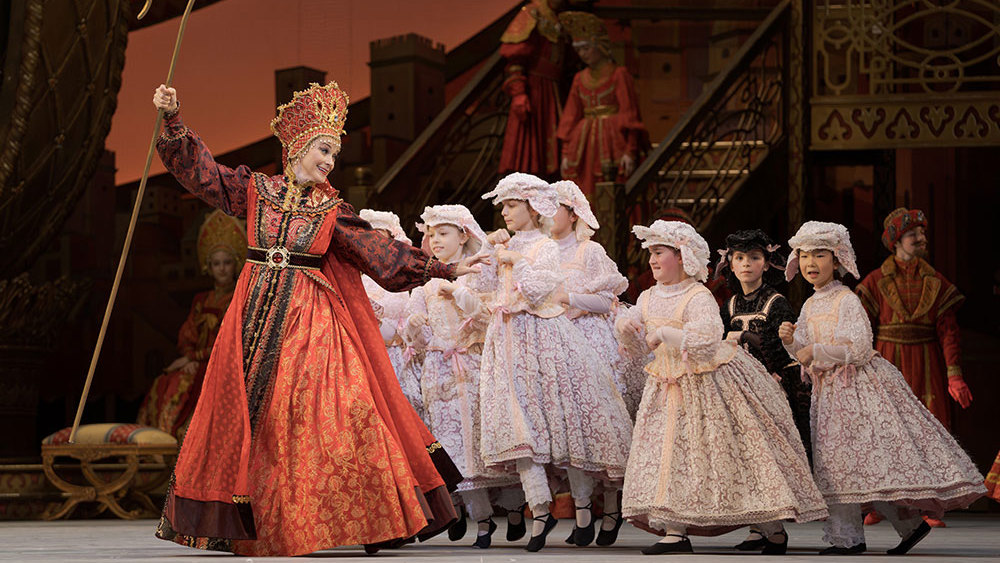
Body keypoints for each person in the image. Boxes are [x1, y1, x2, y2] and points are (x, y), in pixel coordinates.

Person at [149, 81, 487, 556]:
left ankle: (362, 519)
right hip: (251, 322)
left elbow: (381, 253)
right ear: (298, 148)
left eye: (334, 155)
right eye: (323, 150)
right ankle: (267, 523)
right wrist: (174, 120)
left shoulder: (333, 210)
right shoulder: (256, 190)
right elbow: (202, 174)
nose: (329, 162)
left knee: (333, 414)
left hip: (311, 323)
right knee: (260, 425)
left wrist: (443, 266)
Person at [617, 220, 826, 556]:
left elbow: (705, 340)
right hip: (666, 386)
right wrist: (626, 328)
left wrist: (667, 334)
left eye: (659, 253)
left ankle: (770, 527)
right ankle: (675, 528)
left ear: (682, 257)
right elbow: (641, 348)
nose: (653, 260)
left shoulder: (697, 295)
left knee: (732, 454)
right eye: (651, 254)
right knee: (670, 455)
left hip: (707, 384)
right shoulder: (647, 296)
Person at [780, 221, 985, 555]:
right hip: (829, 395)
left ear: (837, 259)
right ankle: (858, 535)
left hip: (858, 392)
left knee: (864, 462)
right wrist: (793, 341)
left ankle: (894, 527)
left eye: (819, 255)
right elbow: (805, 351)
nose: (810, 263)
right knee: (839, 464)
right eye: (804, 256)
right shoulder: (810, 305)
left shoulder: (846, 299)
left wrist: (815, 351)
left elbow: (859, 347)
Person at [478, 172, 633, 551]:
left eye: (512, 205)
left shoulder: (545, 246)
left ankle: (584, 510)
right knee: (521, 430)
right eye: (503, 207)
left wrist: (515, 261)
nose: (505, 213)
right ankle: (540, 508)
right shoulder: (509, 244)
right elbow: (484, 288)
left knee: (566, 424)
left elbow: (537, 289)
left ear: (533, 207)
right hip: (509, 340)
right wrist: (490, 251)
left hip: (545, 338)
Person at [403, 204, 523, 549]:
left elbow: (488, 318)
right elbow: (418, 336)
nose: (435, 240)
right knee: (452, 444)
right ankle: (480, 518)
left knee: (481, 442)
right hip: (438, 372)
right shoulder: (425, 283)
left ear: (463, 235)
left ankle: (513, 506)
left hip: (472, 366)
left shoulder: (478, 274)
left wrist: (459, 293)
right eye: (431, 234)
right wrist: (415, 328)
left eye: (443, 234)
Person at [856, 208, 972, 527]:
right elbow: (861, 329)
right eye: (913, 235)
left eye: (922, 234)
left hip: (926, 362)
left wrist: (954, 374)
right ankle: (877, 504)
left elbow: (948, 329)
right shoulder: (875, 282)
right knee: (882, 431)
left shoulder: (936, 281)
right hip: (886, 360)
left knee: (928, 432)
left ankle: (929, 507)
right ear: (896, 242)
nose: (921, 239)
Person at [138, 209, 245, 439]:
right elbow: (188, 334)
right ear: (209, 267)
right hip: (196, 362)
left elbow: (230, 341)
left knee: (187, 383)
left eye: (227, 262)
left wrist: (193, 359)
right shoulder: (201, 300)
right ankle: (158, 445)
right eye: (217, 263)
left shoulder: (239, 299)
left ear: (235, 265)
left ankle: (183, 442)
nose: (222, 268)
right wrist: (188, 357)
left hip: (225, 364)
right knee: (165, 381)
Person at [556, 11, 646, 195]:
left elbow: (630, 114)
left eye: (587, 48)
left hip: (614, 141)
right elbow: (570, 117)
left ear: (599, 45)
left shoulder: (619, 74)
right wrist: (566, 152)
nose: (583, 54)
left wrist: (630, 150)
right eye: (579, 50)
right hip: (583, 145)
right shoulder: (579, 79)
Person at [358, 209, 426, 422]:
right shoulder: (357, 277)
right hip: (366, 355)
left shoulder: (400, 277)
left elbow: (409, 316)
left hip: (396, 355)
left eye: (381, 237)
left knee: (402, 410)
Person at [498, 0, 567, 178]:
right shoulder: (532, 12)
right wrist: (519, 93)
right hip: (536, 90)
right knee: (530, 150)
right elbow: (515, 58)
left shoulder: (559, 17)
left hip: (554, 90)